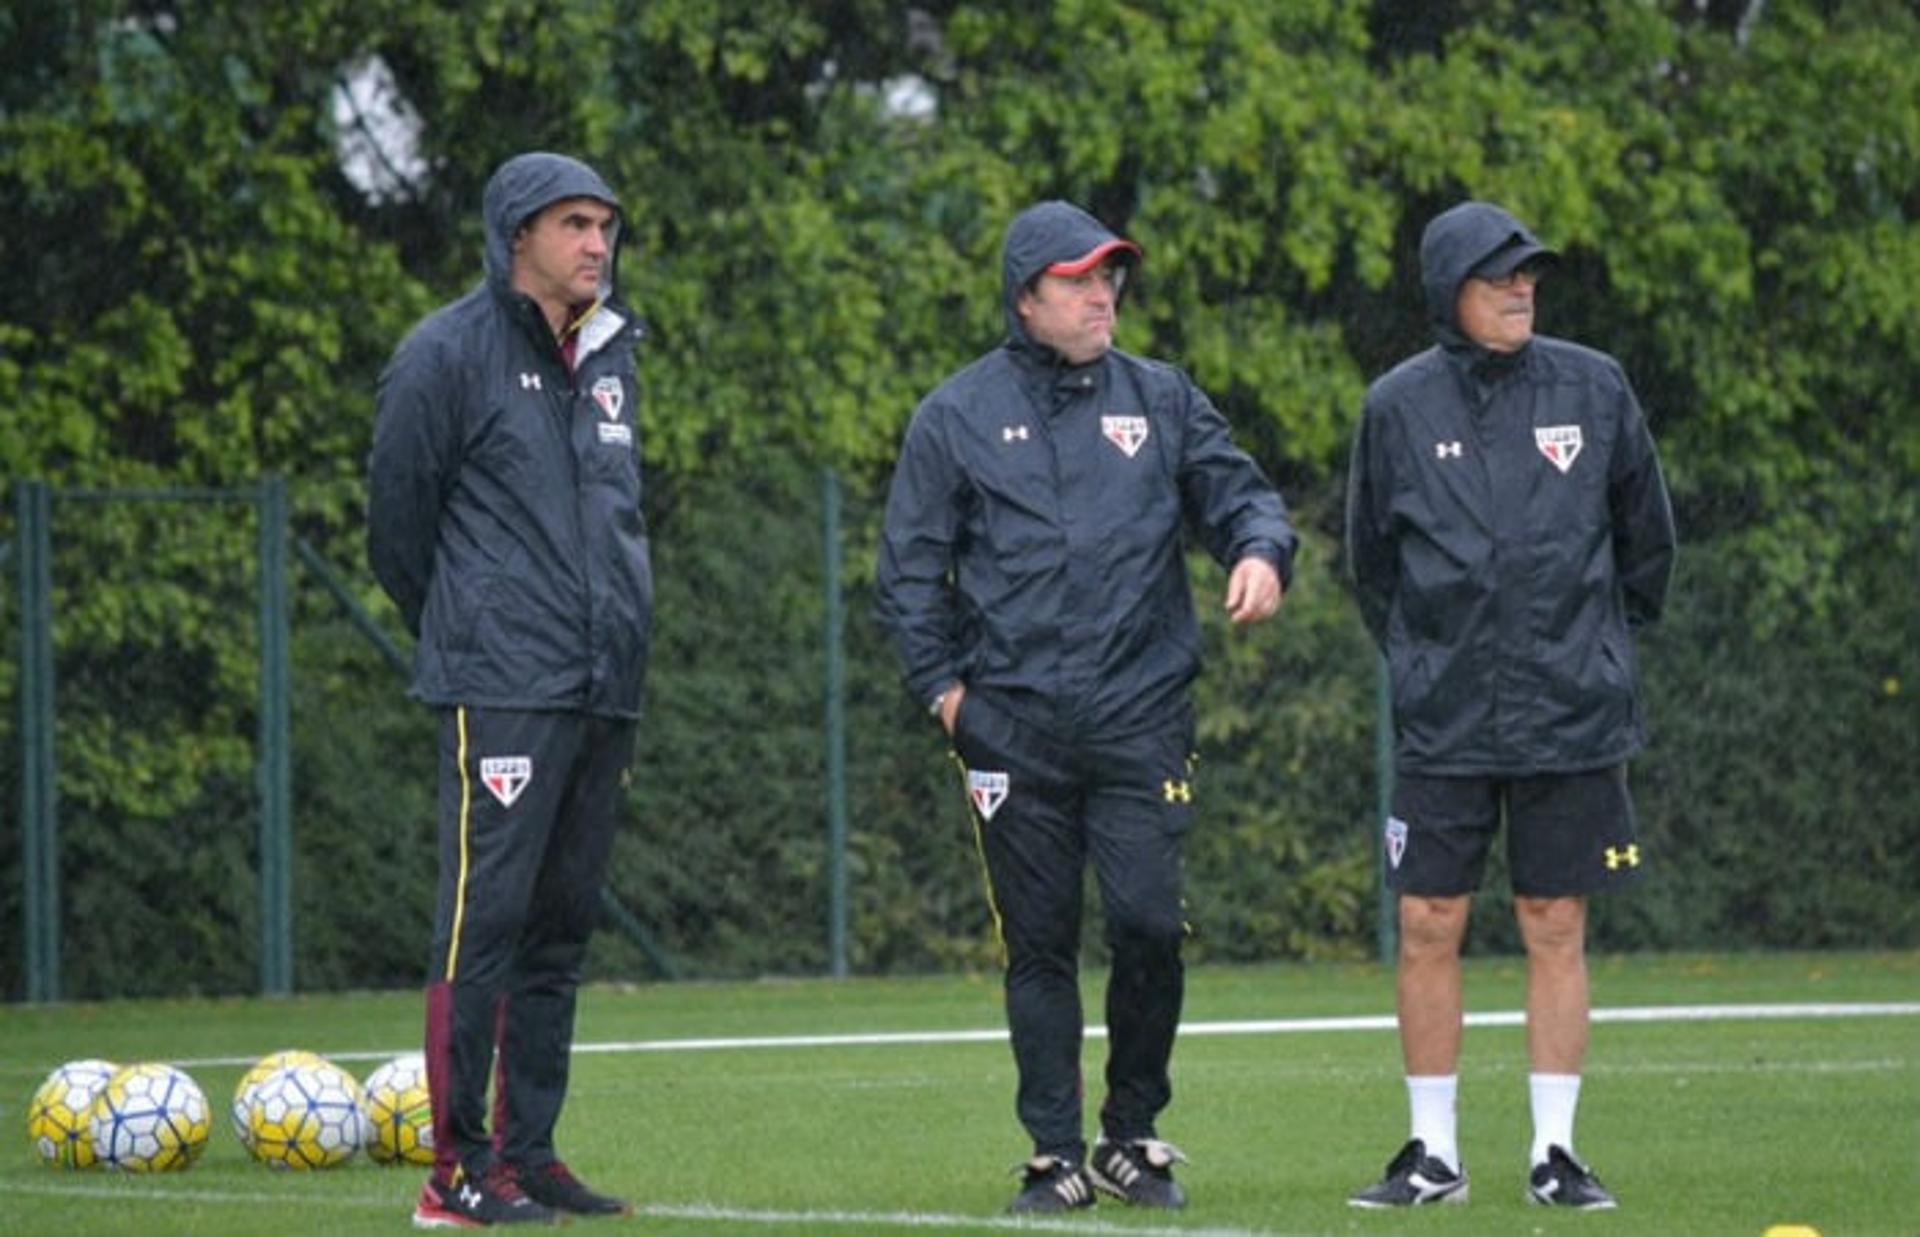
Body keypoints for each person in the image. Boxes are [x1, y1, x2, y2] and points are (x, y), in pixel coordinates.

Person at [875, 200, 1296, 1215]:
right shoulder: (956, 414)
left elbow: (1240, 495)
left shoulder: (1160, 397)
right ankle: (1055, 1151)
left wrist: (1258, 551)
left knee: (1150, 922)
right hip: (1008, 726)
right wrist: (946, 698)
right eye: (1079, 279)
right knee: (1041, 939)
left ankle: (1131, 1133)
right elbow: (907, 575)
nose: (1103, 293)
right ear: (1028, 298)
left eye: (1110, 276)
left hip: (1140, 716)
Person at [1343, 200, 1677, 1211]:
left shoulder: (1595, 384)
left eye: (1528, 274)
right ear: (1451, 293)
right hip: (1445, 716)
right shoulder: (1396, 405)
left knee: (1553, 917)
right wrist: (1427, 656)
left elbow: (1646, 538)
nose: (1521, 290)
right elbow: (1371, 563)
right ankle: (1432, 1153)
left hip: (1570, 711)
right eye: (1499, 277)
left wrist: (1599, 647)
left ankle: (1554, 1154)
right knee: (1429, 918)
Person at [368, 151, 652, 1228]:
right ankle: (455, 1173)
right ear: (515, 233)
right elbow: (399, 528)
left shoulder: (617, 355)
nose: (596, 244)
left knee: (559, 929)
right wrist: (474, 631)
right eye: (574, 224)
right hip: (503, 684)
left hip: (601, 685)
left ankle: (528, 1156)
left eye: (605, 226)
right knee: (480, 924)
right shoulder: (446, 354)